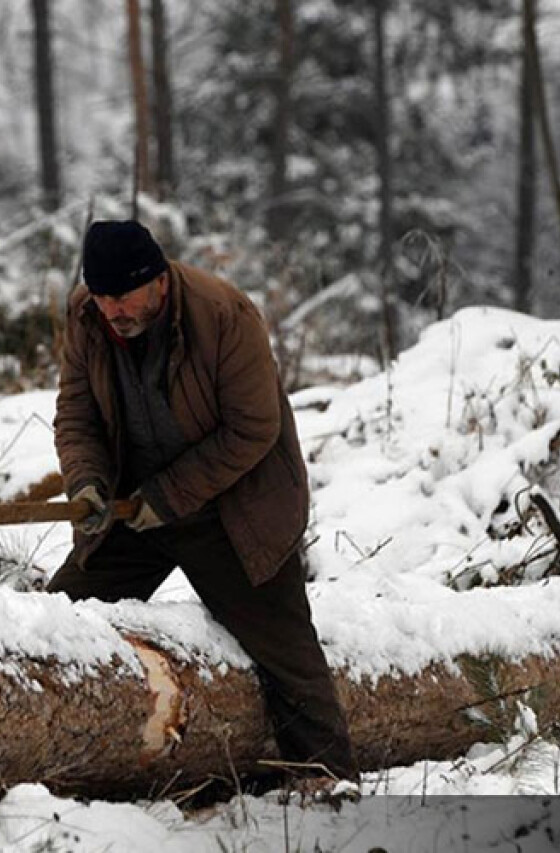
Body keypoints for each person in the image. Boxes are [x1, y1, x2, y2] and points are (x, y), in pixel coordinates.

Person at [45, 219, 356, 783]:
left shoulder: (224, 315)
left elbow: (253, 429)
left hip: (233, 507)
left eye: (124, 295)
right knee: (63, 621)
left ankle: (326, 780)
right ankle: (45, 766)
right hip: (135, 506)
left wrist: (168, 495)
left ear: (158, 281)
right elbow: (76, 414)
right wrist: (87, 483)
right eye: (103, 296)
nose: (113, 309)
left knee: (286, 652)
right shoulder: (87, 315)